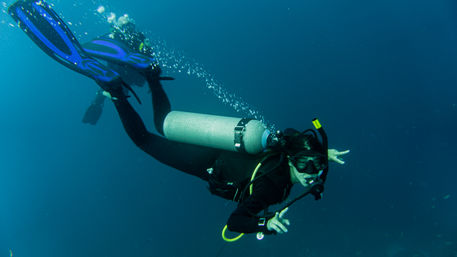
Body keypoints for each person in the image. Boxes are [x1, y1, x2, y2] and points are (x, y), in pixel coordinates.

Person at [9, 0, 349, 239]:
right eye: (309, 167)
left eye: (314, 167)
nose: (312, 174)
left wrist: (320, 154)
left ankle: (151, 75)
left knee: (164, 122)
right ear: (294, 160)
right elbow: (235, 222)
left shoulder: (287, 146)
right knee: (144, 140)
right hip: (207, 160)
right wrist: (264, 224)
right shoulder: (273, 185)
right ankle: (113, 90)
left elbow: (295, 138)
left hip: (221, 147)